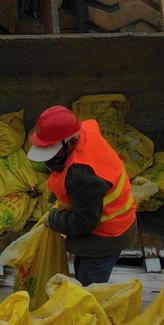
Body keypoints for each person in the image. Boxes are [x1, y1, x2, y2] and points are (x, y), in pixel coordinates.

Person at [26, 106, 138, 285]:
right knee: (82, 270)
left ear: (69, 142)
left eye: (52, 150)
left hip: (106, 235)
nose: (48, 158)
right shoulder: (83, 131)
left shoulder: (82, 175)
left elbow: (84, 222)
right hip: (106, 222)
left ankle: (89, 311)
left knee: (89, 288)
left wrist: (54, 220)